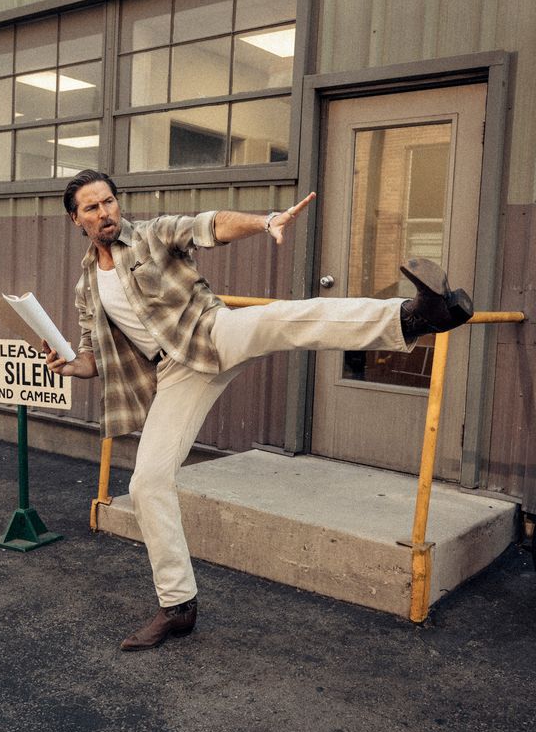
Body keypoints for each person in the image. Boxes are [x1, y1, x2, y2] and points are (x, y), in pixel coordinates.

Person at [44, 168, 473, 652]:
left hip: (211, 333)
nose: (105, 213)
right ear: (76, 218)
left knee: (282, 318)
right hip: (175, 373)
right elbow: (92, 358)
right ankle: (178, 606)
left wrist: (265, 221)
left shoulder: (150, 235)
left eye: (109, 201)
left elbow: (208, 225)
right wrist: (70, 365)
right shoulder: (88, 286)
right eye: (92, 207)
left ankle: (414, 316)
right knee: (146, 484)